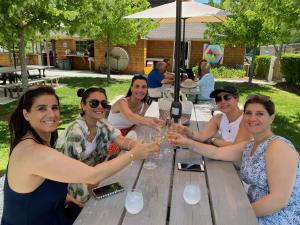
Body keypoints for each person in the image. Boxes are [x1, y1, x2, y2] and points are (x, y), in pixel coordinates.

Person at [1, 86, 159, 225]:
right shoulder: (34, 152)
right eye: (42, 108)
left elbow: (43, 186)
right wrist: (133, 154)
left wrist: (65, 198)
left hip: (55, 213)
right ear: (26, 114)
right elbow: (92, 176)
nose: (51, 114)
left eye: (54, 108)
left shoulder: (40, 141)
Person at [168, 95, 300, 225]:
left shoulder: (278, 147)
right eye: (248, 113)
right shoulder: (250, 145)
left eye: (260, 113)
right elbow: (217, 152)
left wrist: (236, 213)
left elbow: (279, 200)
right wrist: (187, 143)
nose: (252, 118)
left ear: (271, 118)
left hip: (275, 217)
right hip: (252, 206)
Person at [55, 87, 137, 208]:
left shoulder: (101, 123)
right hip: (71, 191)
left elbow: (119, 139)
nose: (100, 107)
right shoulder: (75, 134)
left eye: (104, 103)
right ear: (83, 105)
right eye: (94, 103)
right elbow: (72, 177)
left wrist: (138, 146)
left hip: (95, 179)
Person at [171, 86, 250, 146]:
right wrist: (187, 131)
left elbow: (236, 147)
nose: (222, 102)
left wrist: (213, 140)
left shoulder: (247, 119)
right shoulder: (218, 118)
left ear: (237, 99)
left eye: (227, 97)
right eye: (218, 99)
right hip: (225, 160)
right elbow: (202, 136)